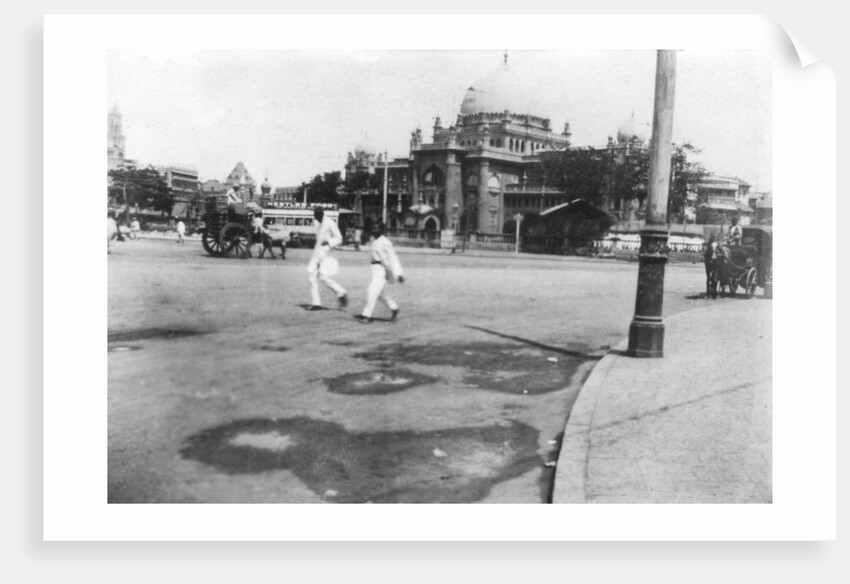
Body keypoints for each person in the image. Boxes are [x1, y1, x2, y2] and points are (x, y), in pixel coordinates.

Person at [355, 222, 404, 324]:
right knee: (379, 293)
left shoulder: (386, 242)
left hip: (382, 268)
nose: (374, 230)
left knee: (372, 291)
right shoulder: (375, 241)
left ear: (382, 231)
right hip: (375, 268)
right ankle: (394, 308)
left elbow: (392, 257)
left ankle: (367, 315)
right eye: (373, 228)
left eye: (377, 229)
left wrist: (398, 273)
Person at [306, 207, 348, 310]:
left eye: (318, 215)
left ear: (322, 214)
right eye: (315, 215)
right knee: (316, 276)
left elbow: (339, 238)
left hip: (325, 253)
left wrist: (329, 242)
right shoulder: (316, 223)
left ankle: (319, 302)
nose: (316, 217)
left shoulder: (330, 222)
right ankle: (318, 302)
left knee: (319, 276)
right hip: (317, 252)